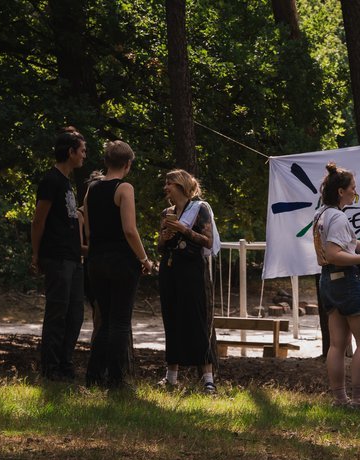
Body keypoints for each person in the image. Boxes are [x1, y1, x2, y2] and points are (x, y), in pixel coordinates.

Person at [313, 162, 360, 411]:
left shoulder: (322, 214)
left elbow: (345, 245)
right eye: (353, 188)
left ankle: (340, 400)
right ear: (341, 191)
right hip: (347, 282)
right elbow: (336, 254)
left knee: (337, 344)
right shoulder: (338, 217)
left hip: (328, 281)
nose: (355, 191)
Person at [83, 141, 153, 389]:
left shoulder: (91, 189)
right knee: (120, 321)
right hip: (121, 261)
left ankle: (93, 376)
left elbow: (88, 232)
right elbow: (130, 230)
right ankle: (116, 379)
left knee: (105, 319)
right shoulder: (124, 188)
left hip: (96, 261)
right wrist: (144, 259)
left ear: (106, 161)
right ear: (128, 164)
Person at [157, 169, 221, 394]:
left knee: (196, 320)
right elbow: (160, 247)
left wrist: (183, 229)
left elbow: (208, 241)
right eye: (166, 183)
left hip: (192, 270)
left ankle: (208, 379)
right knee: (171, 319)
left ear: (181, 186)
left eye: (170, 183)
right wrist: (164, 237)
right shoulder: (167, 212)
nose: (166, 187)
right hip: (170, 269)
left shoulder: (199, 208)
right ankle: (171, 377)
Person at [30, 127, 87, 381]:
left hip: (73, 259)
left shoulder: (67, 182)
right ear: (71, 152)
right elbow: (38, 221)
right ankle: (50, 369)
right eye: (82, 150)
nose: (84, 155)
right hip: (56, 258)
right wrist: (36, 255)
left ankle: (65, 364)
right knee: (57, 313)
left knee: (75, 315)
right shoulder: (51, 180)